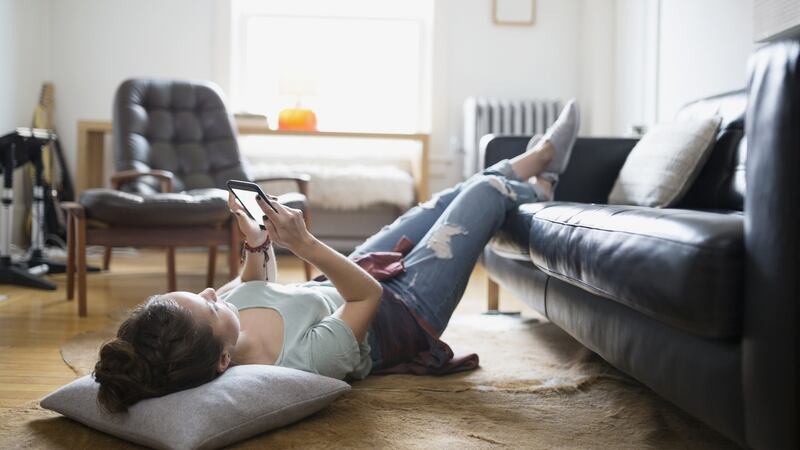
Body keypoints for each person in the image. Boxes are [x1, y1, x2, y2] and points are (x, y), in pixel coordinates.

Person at [93, 100, 580, 413]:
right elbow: (366, 297)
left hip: (345, 280)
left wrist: (257, 240)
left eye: (202, 295)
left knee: (441, 200)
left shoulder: (216, 322)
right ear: (223, 362)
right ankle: (537, 172)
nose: (210, 292)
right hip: (403, 309)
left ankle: (537, 172)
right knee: (487, 190)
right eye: (212, 304)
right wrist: (303, 243)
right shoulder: (300, 363)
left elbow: (253, 283)